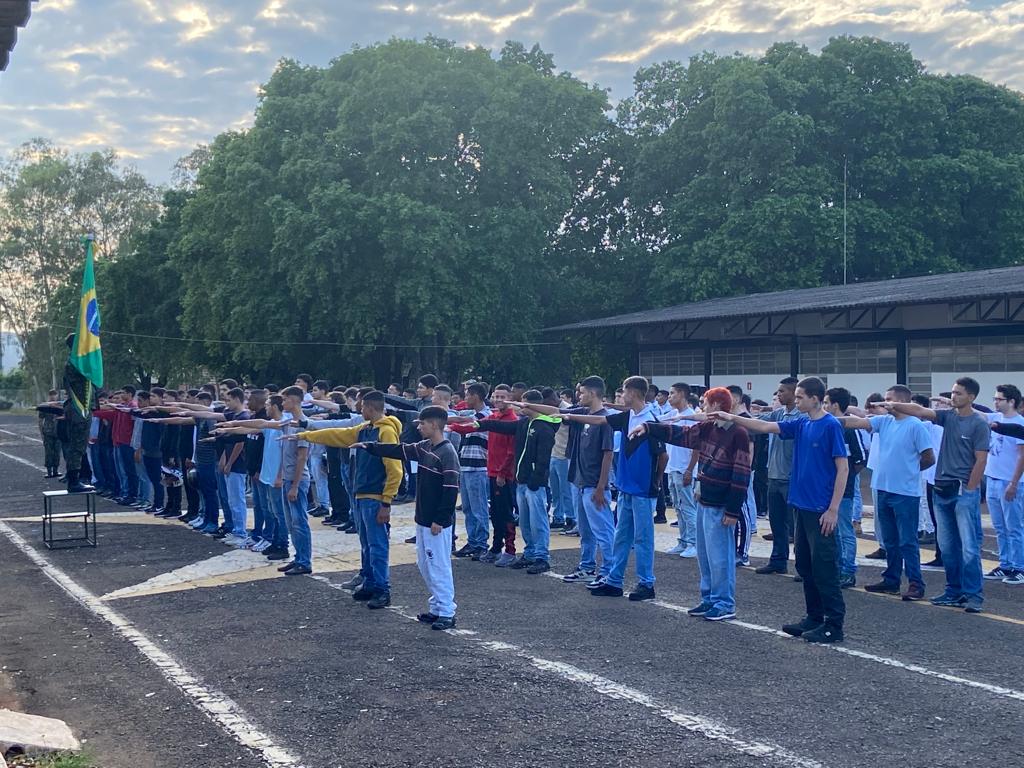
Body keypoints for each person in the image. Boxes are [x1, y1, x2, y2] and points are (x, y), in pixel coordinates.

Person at [719, 377, 848, 643]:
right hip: (801, 505)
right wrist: (731, 417)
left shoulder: (830, 425)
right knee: (805, 564)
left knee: (824, 567)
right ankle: (814, 617)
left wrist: (833, 509)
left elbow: (842, 468)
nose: (796, 400)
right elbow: (765, 425)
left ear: (815, 398)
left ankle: (833, 624)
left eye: (800, 397)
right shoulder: (802, 423)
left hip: (821, 508)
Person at [632, 387, 751, 621]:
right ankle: (709, 598)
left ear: (717, 406)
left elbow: (742, 473)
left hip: (720, 503)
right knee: (706, 556)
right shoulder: (709, 427)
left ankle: (724, 602)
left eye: (706, 403)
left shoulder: (738, 433)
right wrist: (649, 428)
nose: (702, 408)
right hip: (705, 498)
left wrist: (733, 510)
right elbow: (681, 435)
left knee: (720, 557)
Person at [884, 378, 989, 613]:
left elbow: (981, 459)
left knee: (969, 547)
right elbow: (920, 410)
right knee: (948, 546)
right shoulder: (948, 417)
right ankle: (953, 591)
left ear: (971, 397)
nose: (953, 397)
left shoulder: (978, 424)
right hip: (941, 488)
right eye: (952, 393)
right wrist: (893, 405)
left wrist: (970, 489)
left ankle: (973, 596)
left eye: (959, 394)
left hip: (962, 490)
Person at [290, 391, 403, 607]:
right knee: (367, 544)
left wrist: (386, 501)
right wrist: (304, 434)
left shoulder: (386, 432)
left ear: (370, 408)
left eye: (362, 406)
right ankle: (370, 583)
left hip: (375, 496)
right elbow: (337, 434)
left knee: (377, 544)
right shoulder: (365, 429)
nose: (360, 410)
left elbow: (395, 469)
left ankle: (382, 589)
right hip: (361, 494)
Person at [352, 406, 460, 630]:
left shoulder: (446, 453)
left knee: (438, 565)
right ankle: (437, 607)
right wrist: (371, 447)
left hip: (435, 522)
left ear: (434, 424)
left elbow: (451, 490)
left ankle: (447, 611)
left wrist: (440, 519)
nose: (419, 427)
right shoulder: (425, 447)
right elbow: (400, 450)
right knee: (425, 564)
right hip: (423, 518)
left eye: (422, 424)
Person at [559, 375, 666, 601]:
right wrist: (567, 414)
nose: (620, 396)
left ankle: (646, 583)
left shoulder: (651, 420)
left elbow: (662, 456)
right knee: (622, 537)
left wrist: (655, 482)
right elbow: (600, 421)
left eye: (624, 392)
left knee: (643, 538)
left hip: (642, 489)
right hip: (626, 487)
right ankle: (614, 581)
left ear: (634, 393)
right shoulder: (627, 416)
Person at [839, 385, 935, 600]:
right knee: (890, 540)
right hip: (883, 489)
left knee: (907, 541)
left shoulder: (915, 426)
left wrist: (910, 470)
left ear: (901, 401)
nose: (884, 403)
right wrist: (828, 420)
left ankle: (915, 583)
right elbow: (857, 422)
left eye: (888, 399)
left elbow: (929, 457)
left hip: (905, 493)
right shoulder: (885, 422)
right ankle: (891, 580)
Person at [456, 389, 559, 574]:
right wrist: (477, 424)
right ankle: (529, 553)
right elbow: (498, 425)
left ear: (529, 405)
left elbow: (544, 458)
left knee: (538, 521)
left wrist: (536, 480)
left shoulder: (545, 425)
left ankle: (542, 557)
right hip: (521, 481)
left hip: (534, 483)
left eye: (522, 403)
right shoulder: (522, 424)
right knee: (526, 522)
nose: (517, 406)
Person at [450, 385, 519, 566]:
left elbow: (511, 452)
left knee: (505, 512)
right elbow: (471, 427)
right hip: (491, 471)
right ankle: (496, 547)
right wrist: (451, 427)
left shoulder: (512, 420)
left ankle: (509, 549)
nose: (498, 400)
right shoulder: (493, 417)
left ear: (510, 398)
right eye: (496, 396)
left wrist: (503, 473)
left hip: (502, 474)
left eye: (502, 397)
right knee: (495, 512)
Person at [754, 377, 806, 576]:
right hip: (774, 476)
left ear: (794, 393)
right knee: (776, 523)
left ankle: (802, 567)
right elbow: (755, 423)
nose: (778, 395)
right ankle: (778, 560)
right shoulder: (777, 414)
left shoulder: (802, 418)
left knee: (797, 527)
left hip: (792, 478)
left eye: (782, 391)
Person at [981, 385, 1024, 585]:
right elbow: (976, 414)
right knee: (999, 526)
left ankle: (1019, 567)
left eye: (999, 399)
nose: (995, 402)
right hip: (993, 478)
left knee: (1014, 527)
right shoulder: (994, 418)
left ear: (1011, 402)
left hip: (1009, 481)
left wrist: (1014, 483)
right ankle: (1005, 564)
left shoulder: (1019, 423)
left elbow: (1022, 456)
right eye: (995, 398)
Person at [823, 387, 866, 588]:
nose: (823, 406)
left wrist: (846, 479)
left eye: (826, 403)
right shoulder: (827, 425)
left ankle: (848, 570)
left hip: (844, 490)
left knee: (844, 531)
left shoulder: (849, 428)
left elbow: (860, 459)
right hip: (825, 489)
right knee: (833, 531)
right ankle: (837, 567)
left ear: (835, 405)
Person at [453, 382, 491, 559]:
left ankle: (481, 543)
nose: (465, 398)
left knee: (479, 507)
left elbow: (463, 422)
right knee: (468, 508)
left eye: (467, 395)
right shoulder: (473, 415)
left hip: (478, 467)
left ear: (476, 396)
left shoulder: (485, 416)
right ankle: (473, 541)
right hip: (467, 466)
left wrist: (451, 425)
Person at [663, 382, 699, 558]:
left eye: (672, 393)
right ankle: (684, 541)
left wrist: (689, 470)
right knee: (678, 506)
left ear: (682, 394)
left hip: (684, 468)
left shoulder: (691, 417)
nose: (669, 397)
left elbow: (697, 448)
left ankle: (694, 542)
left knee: (688, 507)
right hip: (673, 467)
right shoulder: (673, 415)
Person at [37, 389, 62, 478]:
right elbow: (40, 420)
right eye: (51, 394)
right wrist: (41, 433)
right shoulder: (45, 407)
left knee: (57, 452)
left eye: (54, 394)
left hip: (58, 432)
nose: (53, 396)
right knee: (48, 452)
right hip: (48, 432)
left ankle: (55, 470)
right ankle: (49, 471)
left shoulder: (60, 405)